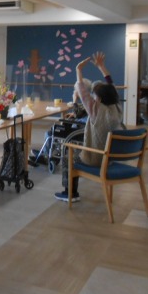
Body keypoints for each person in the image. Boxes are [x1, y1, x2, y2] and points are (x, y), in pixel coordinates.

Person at [55, 52, 123, 203]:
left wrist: (78, 70)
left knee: (68, 157)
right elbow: (112, 86)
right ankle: (70, 192)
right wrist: (102, 67)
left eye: (94, 95)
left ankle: (70, 193)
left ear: (98, 99)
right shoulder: (117, 108)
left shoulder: (95, 110)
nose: (92, 97)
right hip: (113, 157)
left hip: (96, 158)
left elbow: (82, 91)